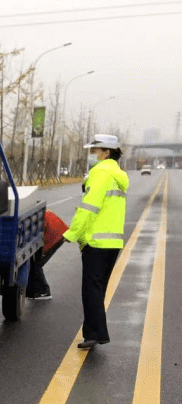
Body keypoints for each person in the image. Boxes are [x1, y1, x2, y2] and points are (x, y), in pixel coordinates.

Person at [62, 133, 128, 349]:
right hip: (113, 243)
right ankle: (95, 331)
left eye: (94, 151)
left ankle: (95, 334)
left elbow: (89, 208)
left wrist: (72, 233)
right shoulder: (118, 175)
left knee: (91, 289)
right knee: (98, 289)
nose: (91, 155)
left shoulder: (100, 173)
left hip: (96, 243)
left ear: (105, 153)